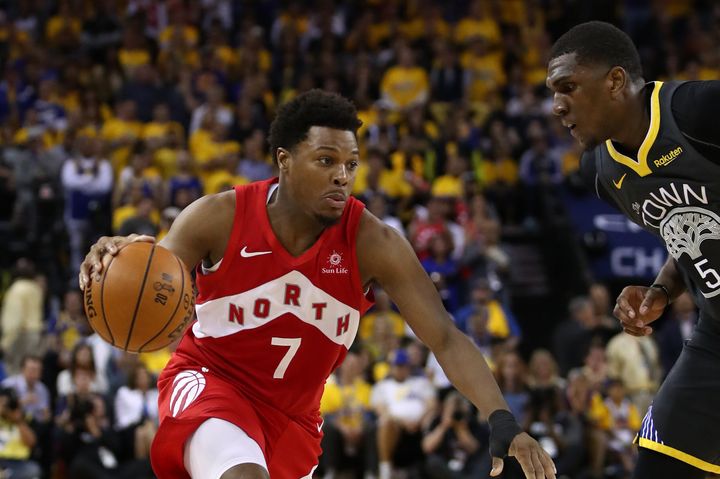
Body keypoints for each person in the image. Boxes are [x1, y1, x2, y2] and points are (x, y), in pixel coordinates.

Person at [79, 89, 556, 479]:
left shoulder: (374, 243)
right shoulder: (218, 217)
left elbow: (445, 337)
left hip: (295, 422)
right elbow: (150, 275)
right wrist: (120, 258)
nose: (342, 177)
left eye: (350, 164)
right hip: (210, 383)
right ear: (284, 160)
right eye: (326, 160)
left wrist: (501, 418)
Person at [546, 21, 720, 479]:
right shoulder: (602, 173)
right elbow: (686, 230)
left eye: (568, 87)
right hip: (715, 337)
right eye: (552, 91)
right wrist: (662, 289)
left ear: (616, 81)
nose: (556, 105)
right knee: (658, 465)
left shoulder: (699, 111)